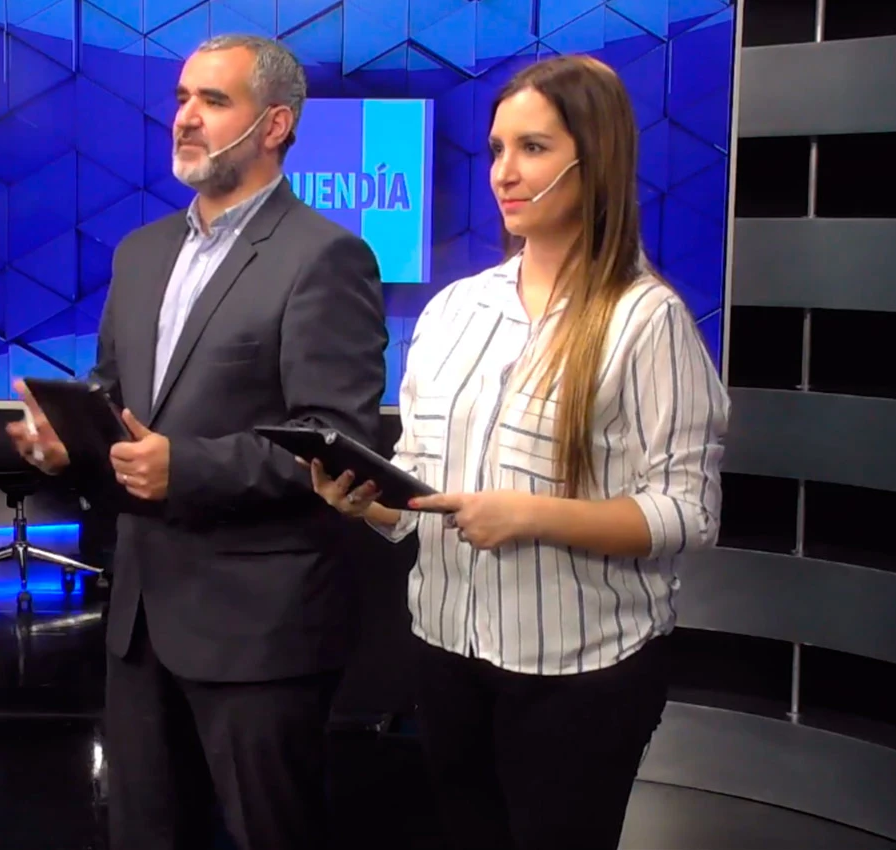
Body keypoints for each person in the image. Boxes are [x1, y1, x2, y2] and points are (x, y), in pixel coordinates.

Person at [309, 55, 730, 849]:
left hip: (581, 671)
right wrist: (371, 505)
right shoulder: (454, 311)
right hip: (445, 653)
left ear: (594, 158)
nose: (504, 171)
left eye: (533, 148)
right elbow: (424, 495)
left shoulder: (647, 321)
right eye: (498, 149)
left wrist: (532, 516)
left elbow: (688, 514)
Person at [7, 34, 388, 850]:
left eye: (214, 101)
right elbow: (116, 398)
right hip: (141, 619)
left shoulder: (325, 257)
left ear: (276, 124)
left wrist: (187, 468)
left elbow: (337, 437)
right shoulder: (141, 253)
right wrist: (67, 440)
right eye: (182, 98)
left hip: (259, 628)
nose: (185, 117)